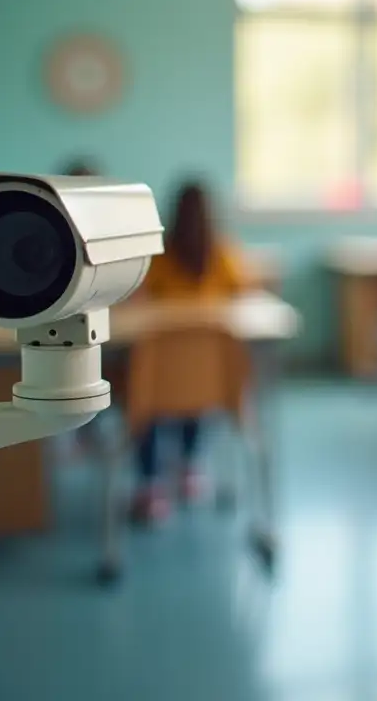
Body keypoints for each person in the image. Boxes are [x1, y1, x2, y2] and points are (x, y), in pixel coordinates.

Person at [132, 179, 249, 524]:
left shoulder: (158, 258)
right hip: (208, 383)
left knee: (149, 396)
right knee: (198, 386)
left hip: (158, 381)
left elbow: (137, 302)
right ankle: (190, 465)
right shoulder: (223, 255)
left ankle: (150, 484)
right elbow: (244, 299)